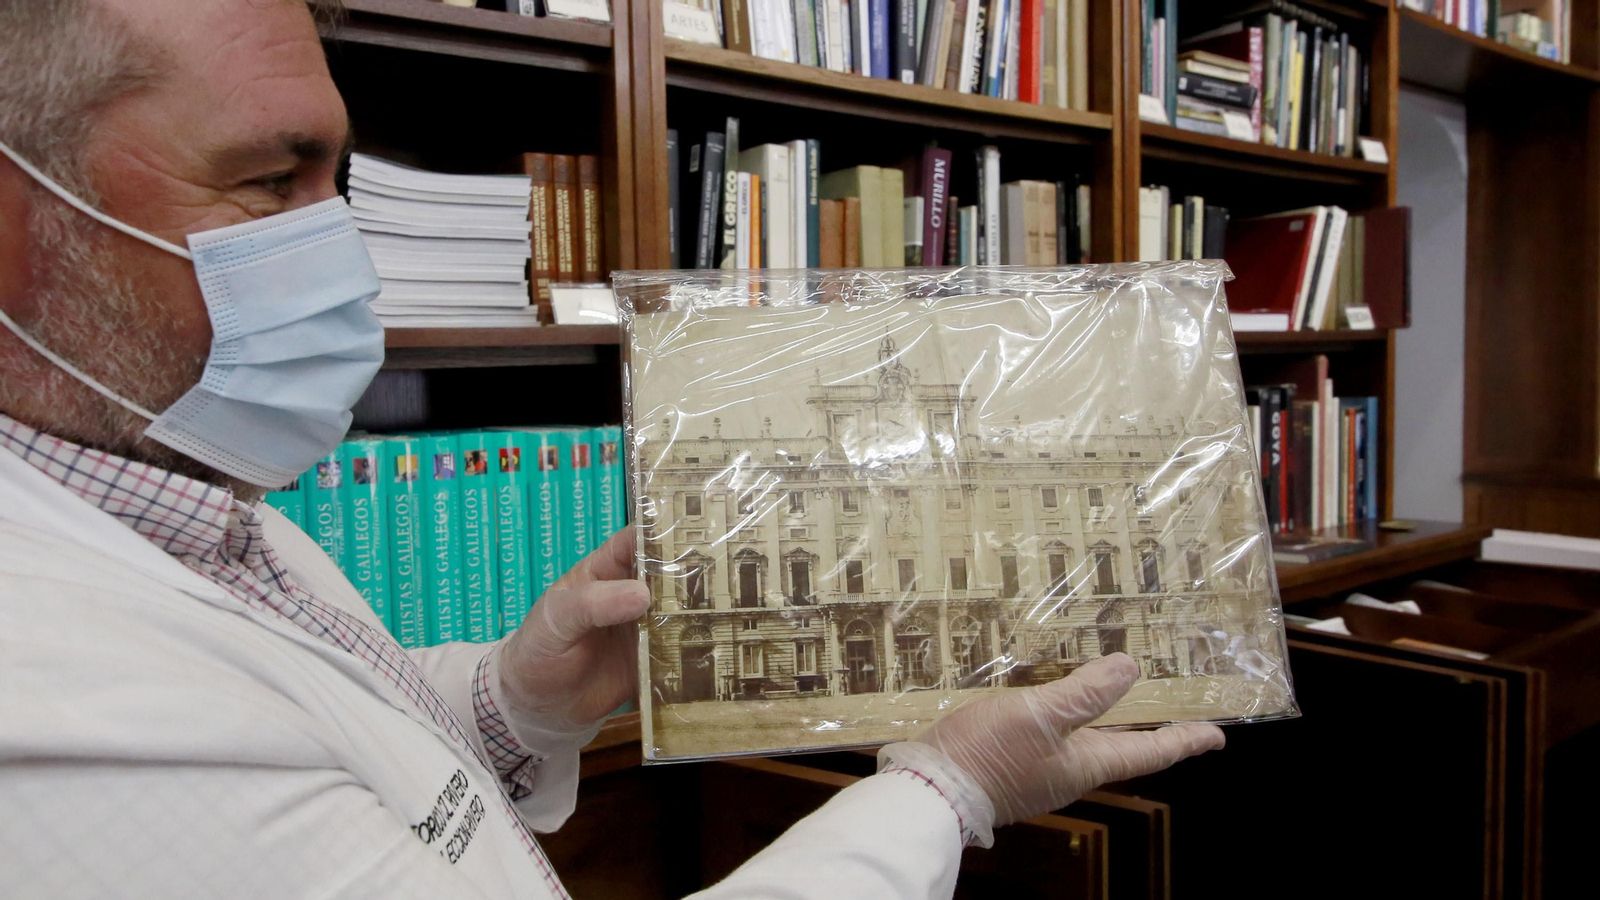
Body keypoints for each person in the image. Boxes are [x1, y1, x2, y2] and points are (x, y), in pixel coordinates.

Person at [0, 1, 1225, 897]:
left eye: (341, 180)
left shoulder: (170, 484)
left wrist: (511, 697)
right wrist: (942, 795)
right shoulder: (44, 698)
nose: (351, 261)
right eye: (270, 182)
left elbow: (326, 738)